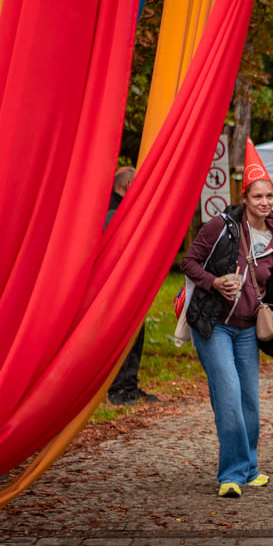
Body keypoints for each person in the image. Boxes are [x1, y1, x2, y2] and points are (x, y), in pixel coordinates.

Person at [180, 144, 273, 499]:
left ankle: (249, 467)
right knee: (228, 396)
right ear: (244, 198)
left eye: (269, 196)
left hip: (247, 329)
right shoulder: (221, 226)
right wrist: (214, 282)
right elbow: (188, 262)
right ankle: (231, 474)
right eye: (257, 196)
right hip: (213, 324)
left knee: (249, 403)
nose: (264, 202)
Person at [106, 167, 158, 405]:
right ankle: (117, 389)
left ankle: (129, 386)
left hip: (130, 283)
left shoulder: (123, 209)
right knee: (121, 336)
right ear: (128, 186)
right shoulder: (112, 212)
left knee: (136, 334)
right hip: (117, 286)